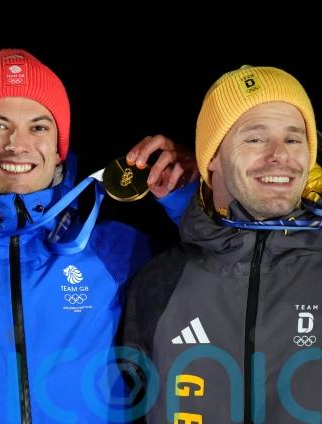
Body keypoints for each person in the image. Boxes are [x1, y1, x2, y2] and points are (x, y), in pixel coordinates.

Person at [0, 48, 198, 423]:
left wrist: (189, 196)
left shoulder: (117, 251)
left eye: (39, 127)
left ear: (59, 150)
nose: (17, 143)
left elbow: (224, 275)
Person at [120, 65, 322, 422]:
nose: (280, 154)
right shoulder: (158, 282)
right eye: (255, 139)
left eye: (294, 139)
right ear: (211, 156)